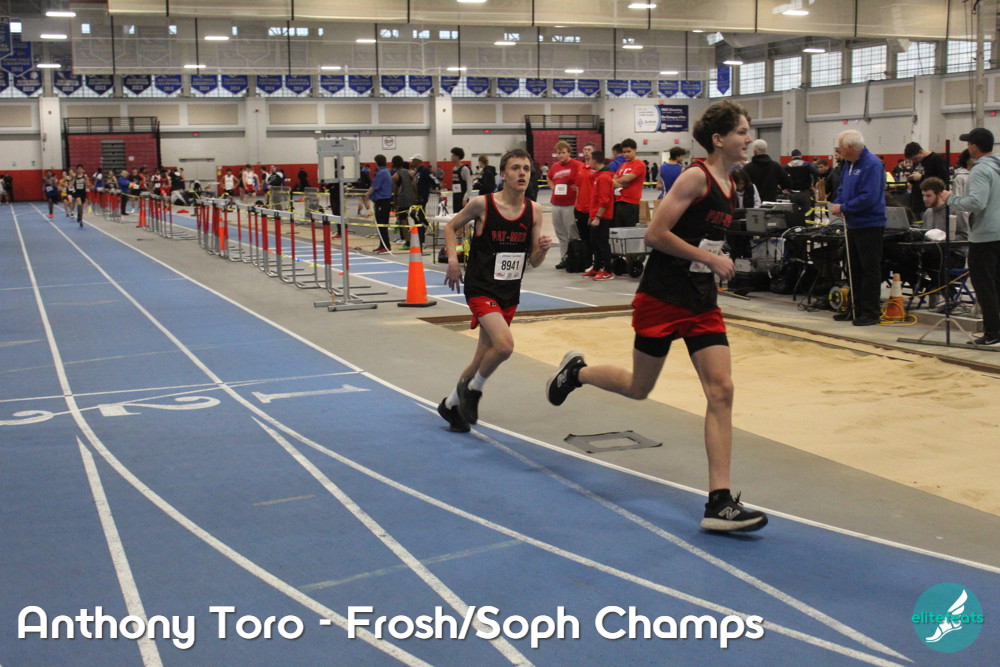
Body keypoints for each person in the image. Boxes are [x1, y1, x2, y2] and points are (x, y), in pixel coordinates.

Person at [546, 99, 767, 533]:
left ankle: (719, 502)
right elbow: (655, 234)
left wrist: (712, 260)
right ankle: (577, 373)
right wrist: (708, 256)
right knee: (638, 387)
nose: (748, 138)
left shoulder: (732, 184)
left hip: (701, 300)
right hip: (663, 297)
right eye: (742, 131)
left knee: (721, 391)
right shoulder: (695, 177)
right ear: (719, 139)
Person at [437, 148, 553, 432]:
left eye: (526, 168)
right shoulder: (483, 204)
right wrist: (453, 261)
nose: (522, 173)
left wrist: (543, 250)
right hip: (481, 287)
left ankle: (450, 405)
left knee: (482, 356)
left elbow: (534, 261)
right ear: (503, 174)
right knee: (504, 346)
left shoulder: (534, 210)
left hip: (509, 291)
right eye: (515, 168)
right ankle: (474, 390)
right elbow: (450, 227)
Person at [941, 127, 1000, 346]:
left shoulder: (980, 170)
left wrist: (951, 199)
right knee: (996, 284)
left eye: (968, 144)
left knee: (984, 285)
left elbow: (977, 203)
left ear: (974, 147)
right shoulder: (997, 166)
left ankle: (993, 332)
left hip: (985, 236)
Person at [830, 129, 886, 327]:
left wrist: (845, 207)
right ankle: (855, 308)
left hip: (869, 224)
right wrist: (838, 203)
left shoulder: (872, 165)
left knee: (869, 269)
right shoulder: (848, 164)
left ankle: (871, 312)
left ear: (850, 148)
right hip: (852, 224)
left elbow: (869, 197)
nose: (838, 151)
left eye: (840, 148)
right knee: (853, 268)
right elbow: (843, 188)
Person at [547, 140, 583, 269]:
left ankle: (575, 257)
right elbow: (549, 177)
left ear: (569, 153)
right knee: (560, 233)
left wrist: (578, 187)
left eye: (563, 153)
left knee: (571, 233)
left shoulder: (577, 165)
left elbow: (584, 178)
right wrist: (552, 187)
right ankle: (564, 258)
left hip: (570, 204)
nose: (561, 155)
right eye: (558, 153)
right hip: (556, 203)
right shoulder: (555, 166)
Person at [583, 150, 616, 281]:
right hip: (596, 216)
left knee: (602, 244)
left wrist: (597, 217)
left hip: (602, 217)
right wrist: (592, 216)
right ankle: (597, 267)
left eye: (590, 159)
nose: (589, 161)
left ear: (595, 160)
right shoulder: (599, 176)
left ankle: (608, 271)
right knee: (595, 243)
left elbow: (604, 200)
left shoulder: (604, 178)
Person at [903, 141, 948, 217]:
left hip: (929, 203)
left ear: (921, 151)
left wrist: (921, 177)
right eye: (913, 160)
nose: (915, 161)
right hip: (917, 201)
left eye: (915, 159)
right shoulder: (917, 161)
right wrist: (912, 178)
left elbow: (943, 179)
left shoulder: (936, 159)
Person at [742, 139, 789, 203]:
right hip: (771, 204)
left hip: (753, 205)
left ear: (754, 152)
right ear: (766, 150)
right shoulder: (776, 166)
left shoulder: (747, 168)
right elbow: (787, 183)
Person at [611, 138, 646, 228]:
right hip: (619, 201)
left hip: (631, 203)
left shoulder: (640, 164)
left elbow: (626, 179)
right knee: (618, 230)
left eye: (628, 151)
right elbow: (613, 180)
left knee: (629, 230)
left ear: (635, 150)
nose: (626, 154)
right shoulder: (624, 165)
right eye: (624, 152)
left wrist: (618, 182)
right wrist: (620, 183)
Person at [573, 142, 596, 267]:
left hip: (592, 208)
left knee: (593, 238)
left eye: (589, 150)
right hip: (580, 208)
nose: (586, 152)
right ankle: (586, 263)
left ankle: (597, 263)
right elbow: (578, 187)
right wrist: (576, 204)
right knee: (584, 238)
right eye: (585, 149)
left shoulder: (596, 168)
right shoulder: (580, 168)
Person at [366, 154, 393, 253]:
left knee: (381, 224)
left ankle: (386, 245)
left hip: (382, 201)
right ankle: (383, 245)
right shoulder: (386, 171)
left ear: (377, 163)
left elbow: (374, 187)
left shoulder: (381, 173)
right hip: (385, 201)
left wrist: (367, 195)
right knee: (382, 224)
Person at [784, 149, 820, 224]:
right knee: (807, 214)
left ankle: (794, 228)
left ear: (792, 157)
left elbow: (780, 176)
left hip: (791, 194)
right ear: (800, 156)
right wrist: (813, 184)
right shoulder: (807, 164)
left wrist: (784, 188)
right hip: (805, 193)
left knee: (792, 215)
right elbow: (816, 172)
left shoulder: (787, 165)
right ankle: (806, 228)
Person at [391, 155, 418, 245]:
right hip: (412, 199)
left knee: (403, 220)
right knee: (415, 218)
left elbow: (395, 192)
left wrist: (395, 204)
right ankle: (418, 238)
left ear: (393, 164)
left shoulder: (395, 176)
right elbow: (415, 185)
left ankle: (407, 241)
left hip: (402, 200)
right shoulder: (411, 173)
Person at [450, 147, 474, 213]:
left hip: (462, 198)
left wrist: (465, 198)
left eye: (452, 155)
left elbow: (470, 186)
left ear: (457, 157)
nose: (451, 157)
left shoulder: (465, 169)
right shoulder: (454, 169)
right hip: (455, 197)